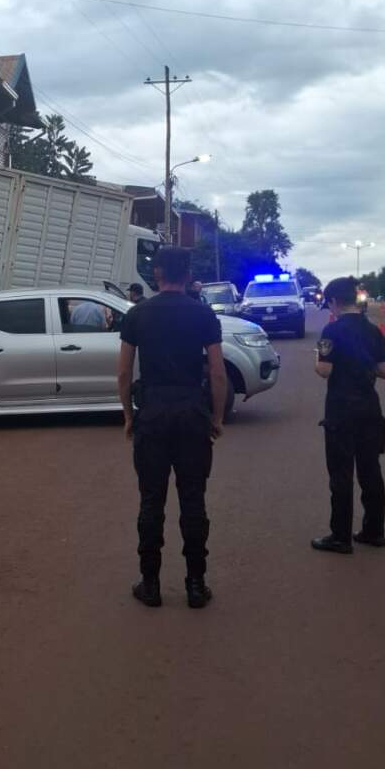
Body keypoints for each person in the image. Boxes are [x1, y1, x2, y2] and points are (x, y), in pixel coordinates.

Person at [118, 245, 227, 609]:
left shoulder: (137, 315)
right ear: (187, 276)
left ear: (159, 274)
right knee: (193, 499)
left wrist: (129, 416)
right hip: (191, 413)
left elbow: (123, 372)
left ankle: (150, 585)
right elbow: (216, 372)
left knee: (151, 501)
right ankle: (196, 585)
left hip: (153, 413)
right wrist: (216, 417)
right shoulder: (204, 315)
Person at [311, 275, 385, 555]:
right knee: (371, 470)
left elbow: (324, 370)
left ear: (333, 302)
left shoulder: (331, 332)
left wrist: (316, 356)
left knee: (341, 474)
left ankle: (340, 536)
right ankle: (374, 530)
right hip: (370, 407)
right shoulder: (374, 331)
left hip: (341, 410)